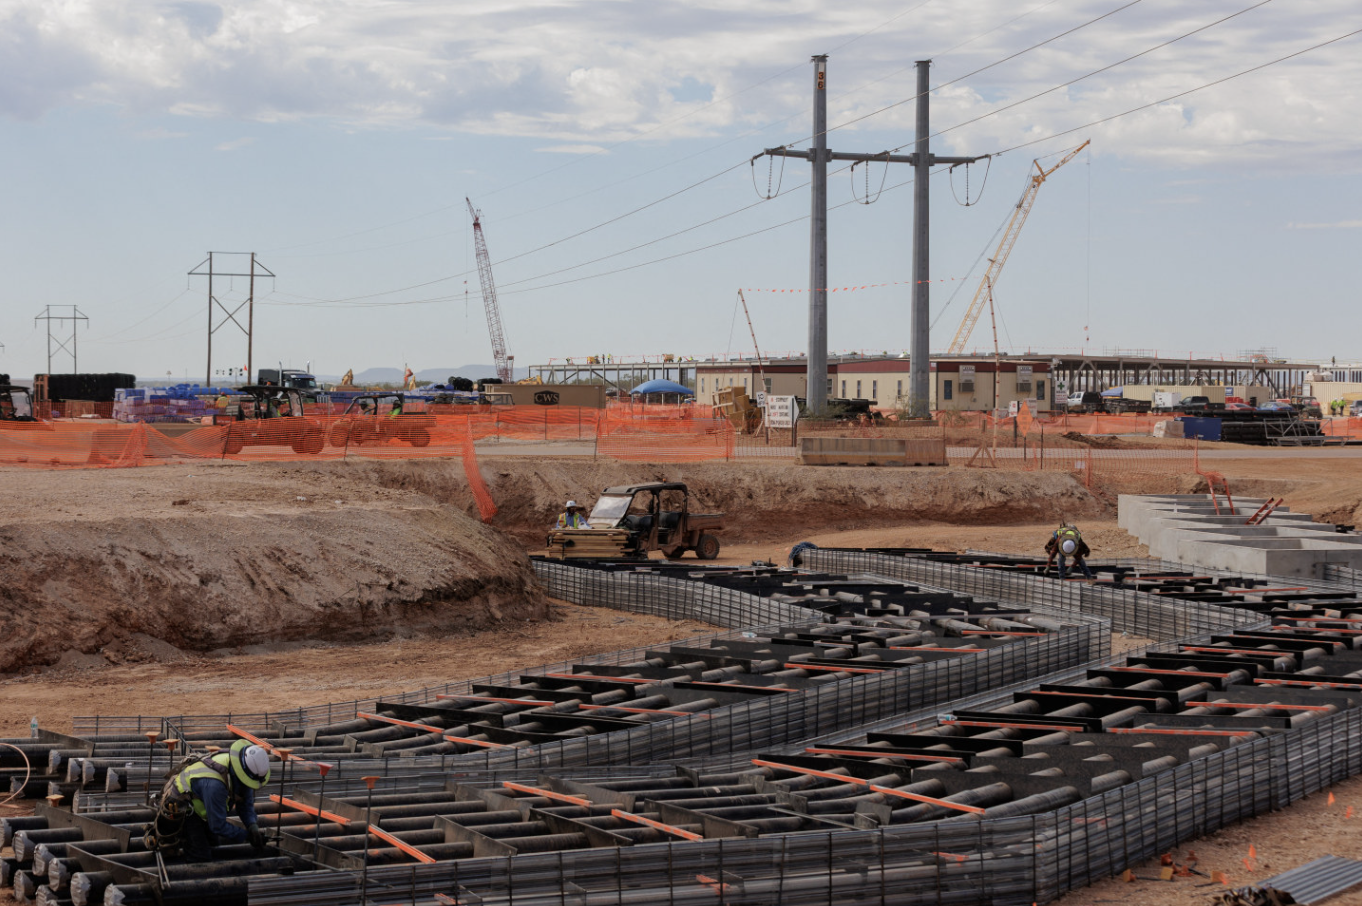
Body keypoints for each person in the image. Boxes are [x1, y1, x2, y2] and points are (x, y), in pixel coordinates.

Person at [150, 739, 270, 860]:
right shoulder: (215, 785)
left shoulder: (240, 769)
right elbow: (218, 825)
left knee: (214, 843)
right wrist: (246, 836)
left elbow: (245, 803)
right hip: (183, 806)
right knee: (201, 854)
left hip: (202, 802)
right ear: (242, 773)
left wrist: (252, 825)